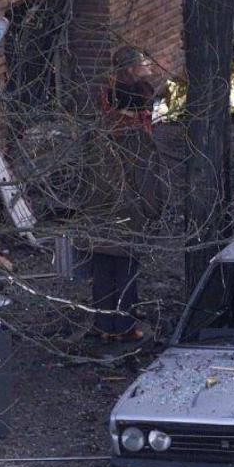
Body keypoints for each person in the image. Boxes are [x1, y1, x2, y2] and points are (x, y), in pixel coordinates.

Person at [88, 46, 163, 342]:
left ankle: (103, 326)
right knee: (126, 270)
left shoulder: (97, 140)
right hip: (128, 213)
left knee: (103, 270)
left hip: (98, 212)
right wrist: (152, 211)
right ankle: (126, 326)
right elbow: (147, 183)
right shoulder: (137, 144)